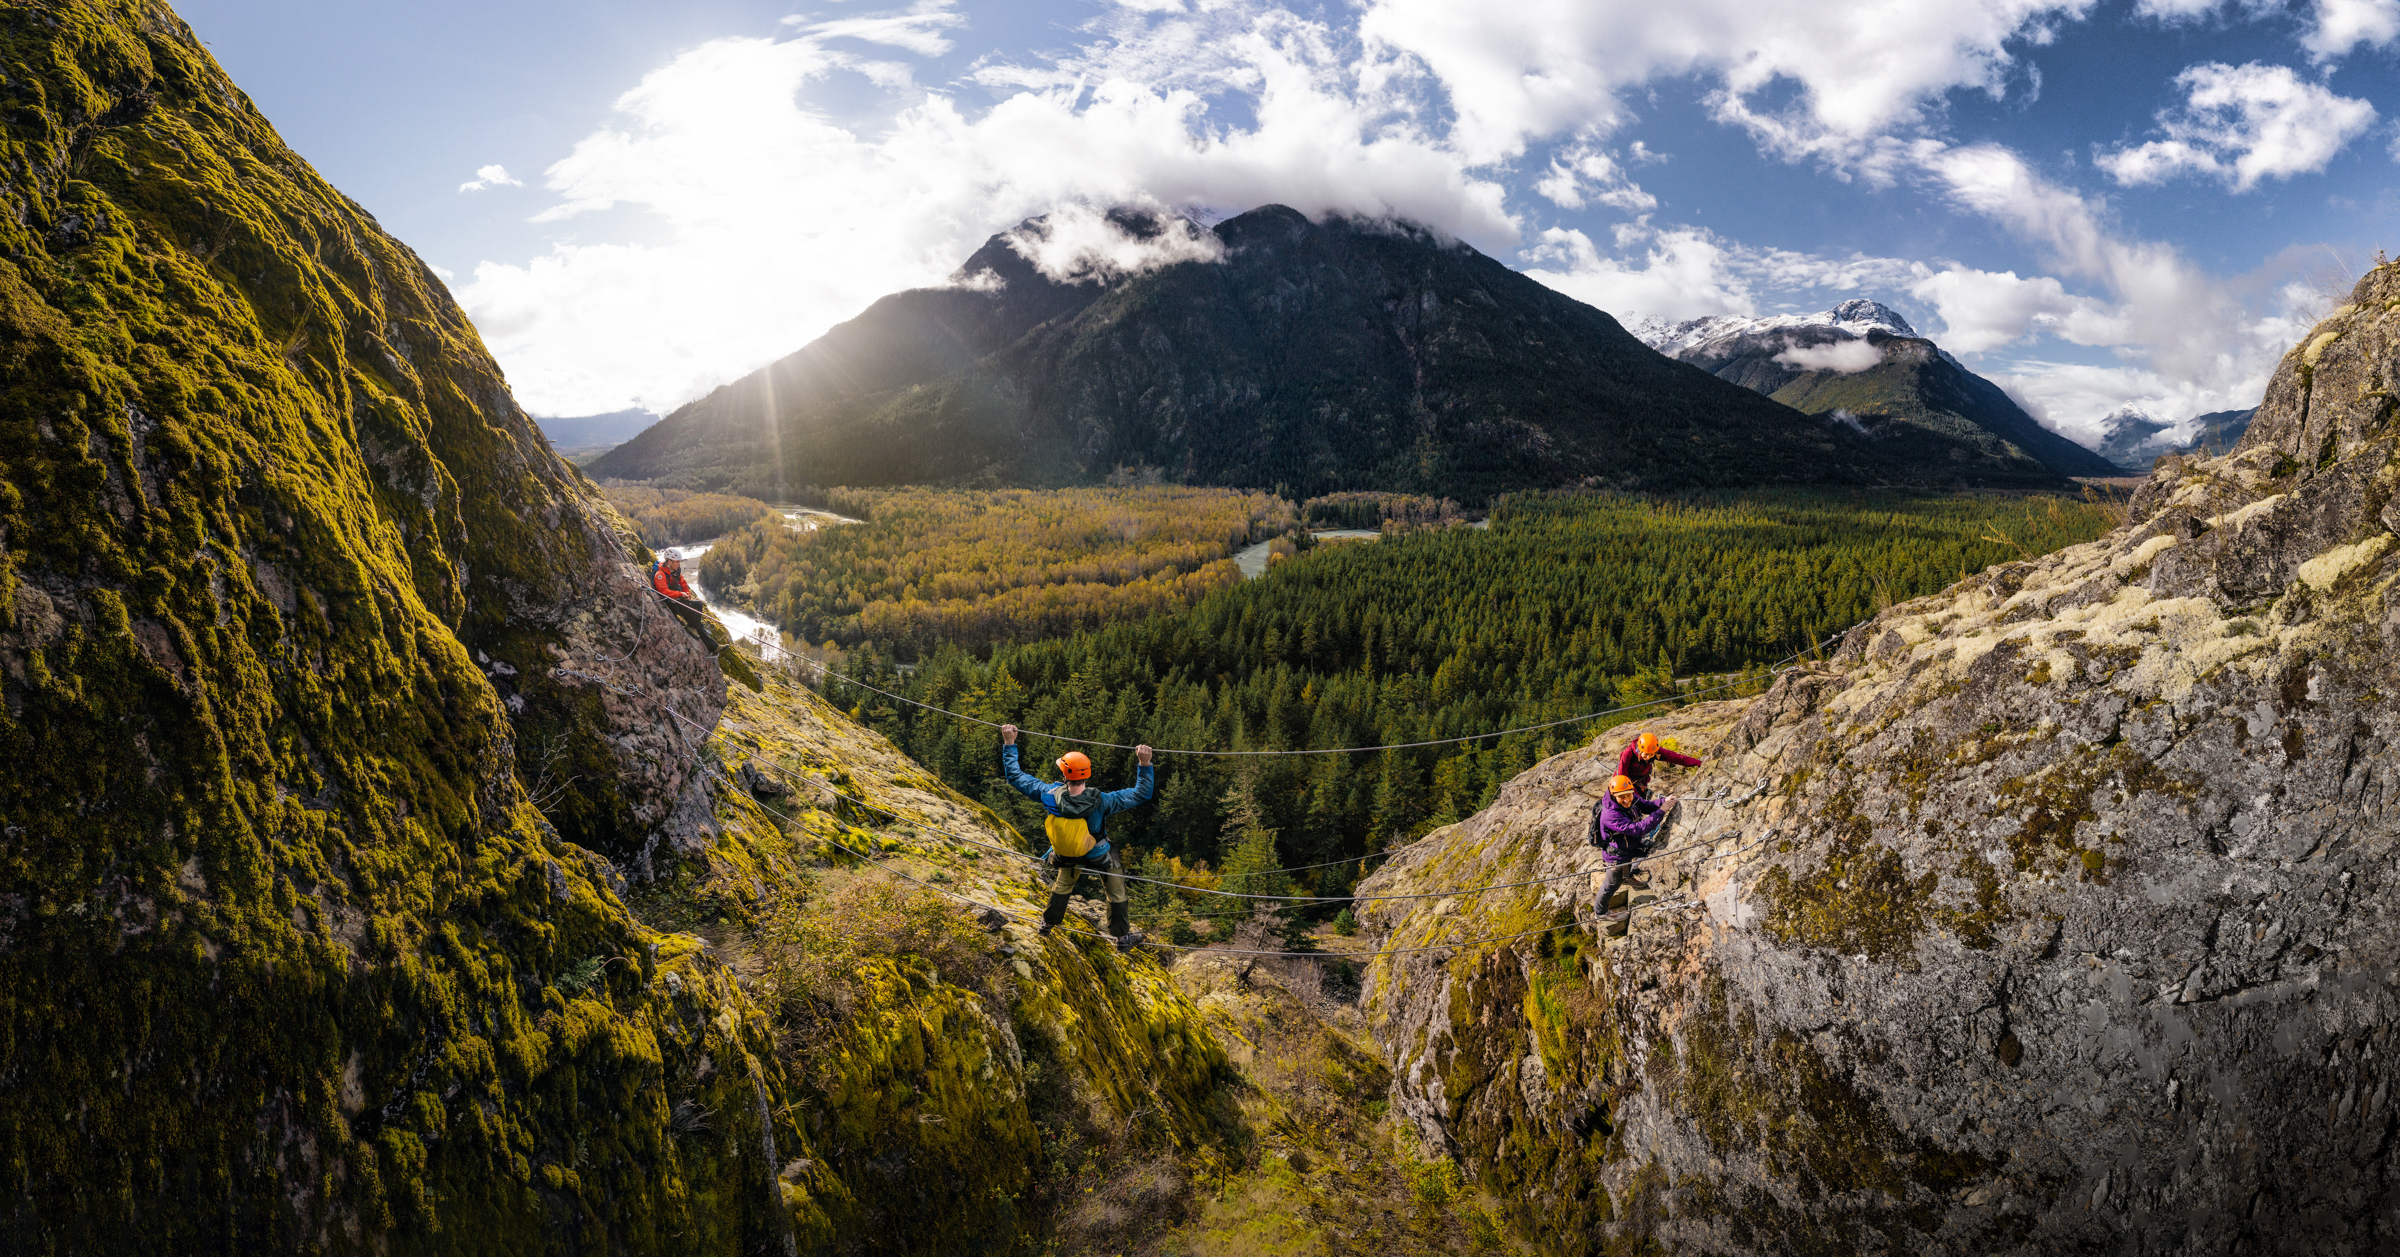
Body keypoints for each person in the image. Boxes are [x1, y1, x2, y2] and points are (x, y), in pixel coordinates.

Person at [1000, 723, 1155, 946]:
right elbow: (1142, 793)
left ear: (1064, 773)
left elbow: (1015, 776)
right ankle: (1121, 936)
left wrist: (1009, 743)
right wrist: (1144, 763)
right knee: (1116, 887)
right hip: (1098, 854)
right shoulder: (1103, 801)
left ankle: (1047, 924)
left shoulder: (1049, 795)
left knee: (1063, 884)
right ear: (1087, 773)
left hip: (1067, 855)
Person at [1588, 773, 1675, 925]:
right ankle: (1600, 912)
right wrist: (1661, 812)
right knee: (1611, 885)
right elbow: (1638, 829)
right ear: (1614, 795)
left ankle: (1627, 875)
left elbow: (1647, 806)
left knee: (1645, 850)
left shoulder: (1630, 797)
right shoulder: (1610, 814)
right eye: (1622, 797)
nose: (1627, 800)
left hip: (1630, 847)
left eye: (1629, 795)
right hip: (1616, 855)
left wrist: (1663, 801)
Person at [1615, 731, 1701, 799]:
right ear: (1640, 751)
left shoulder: (1656, 751)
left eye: (1651, 755)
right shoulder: (1628, 753)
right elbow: (1622, 778)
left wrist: (1698, 763)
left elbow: (1678, 758)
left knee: (1639, 809)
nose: (1648, 758)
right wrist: (1635, 796)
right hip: (1622, 783)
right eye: (1645, 755)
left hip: (1641, 783)